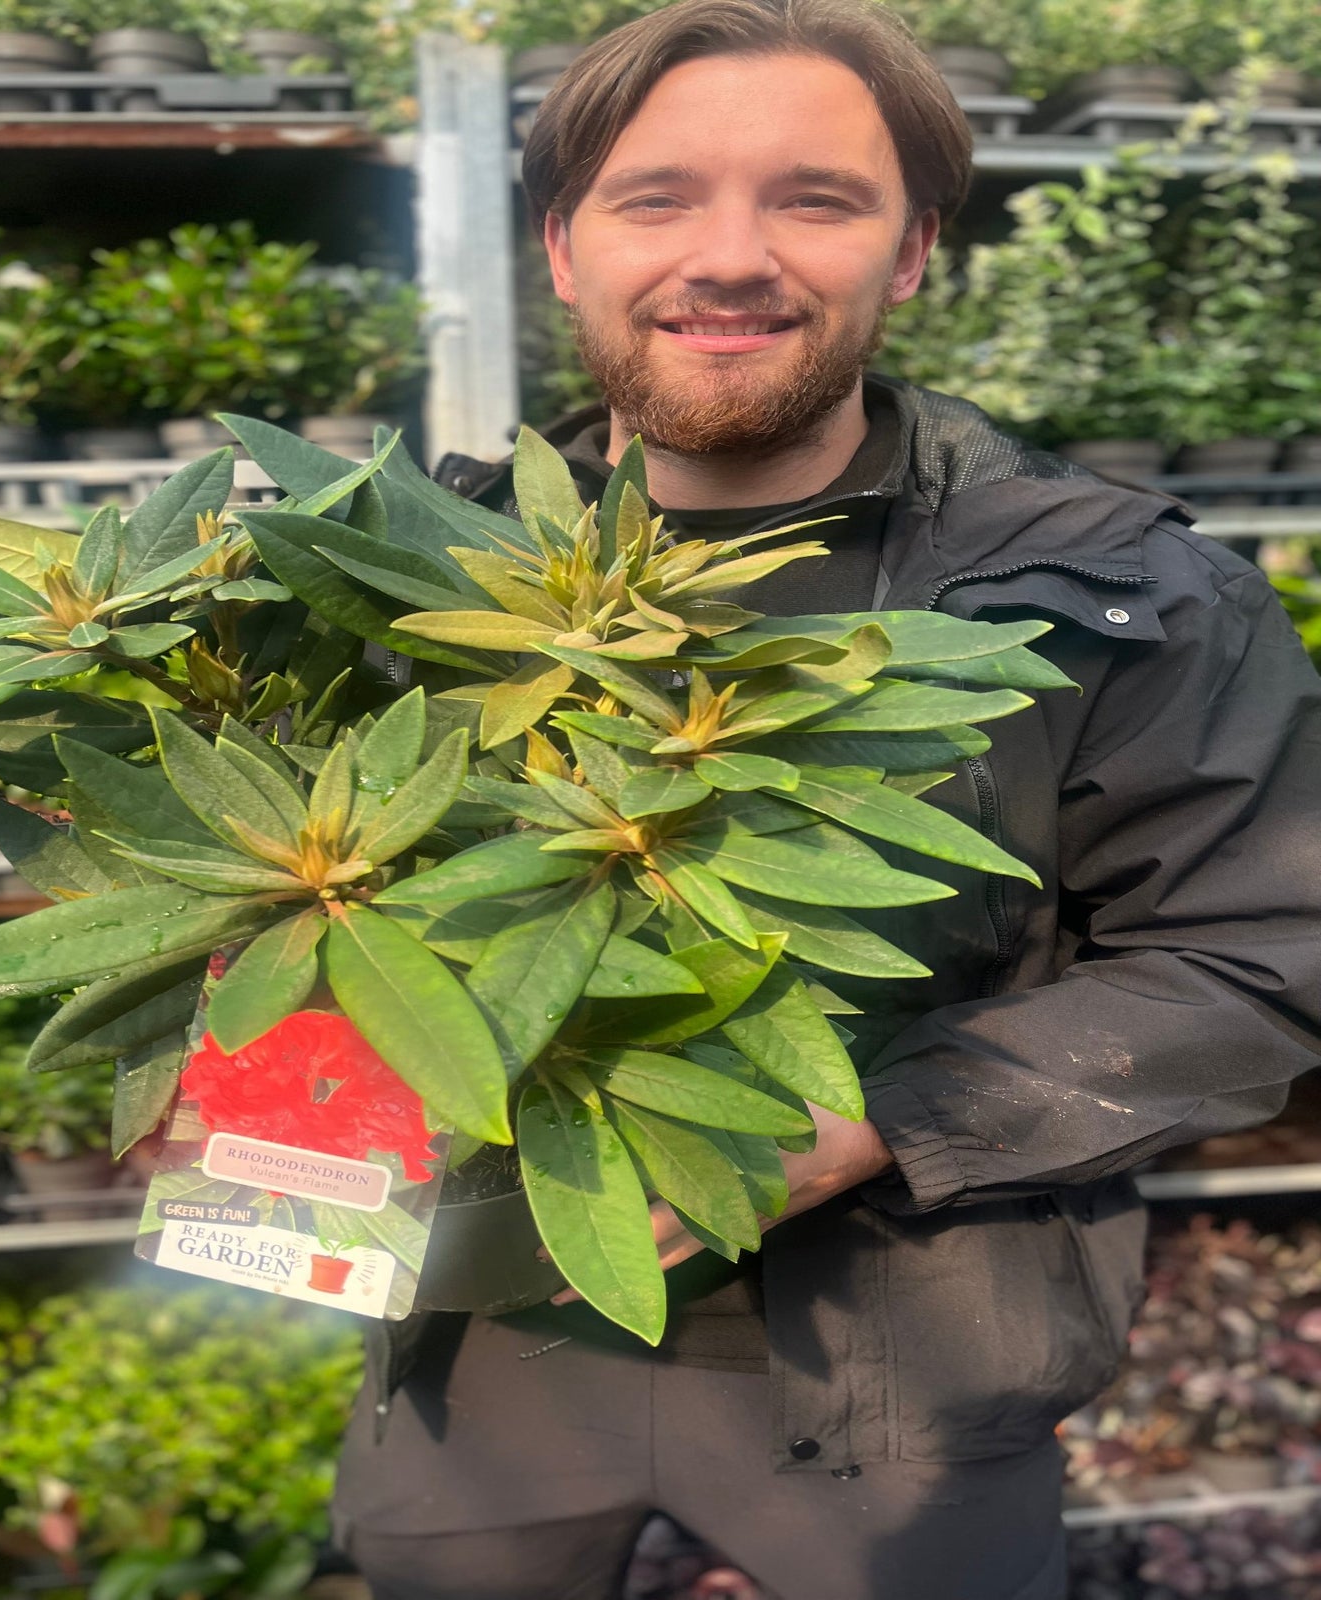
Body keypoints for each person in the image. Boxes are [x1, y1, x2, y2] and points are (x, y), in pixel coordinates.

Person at [329, 1, 1321, 1594]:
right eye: (658, 197)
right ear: (564, 247)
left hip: (905, 1376)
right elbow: (300, 903)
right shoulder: (405, 576)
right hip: (480, 1348)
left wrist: (848, 1125)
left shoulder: (1115, 592)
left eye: (817, 197)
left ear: (913, 251)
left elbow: (1261, 957)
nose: (731, 256)